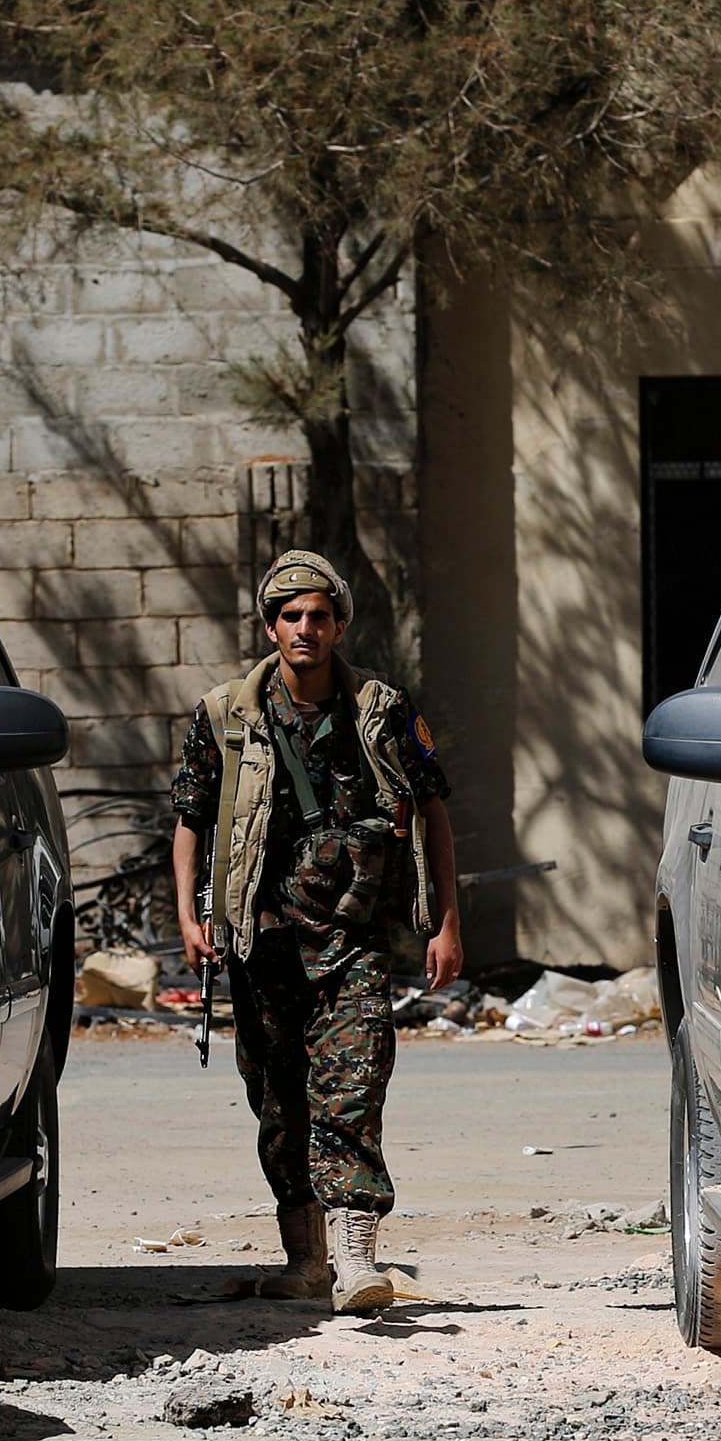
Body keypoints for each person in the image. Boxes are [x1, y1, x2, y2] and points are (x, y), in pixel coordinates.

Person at [169, 550, 463, 1313]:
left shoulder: (380, 708)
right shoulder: (224, 715)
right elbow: (190, 822)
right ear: (272, 627)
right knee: (278, 1101)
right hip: (261, 942)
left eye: (320, 616)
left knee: (355, 1087)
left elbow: (432, 810)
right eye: (292, 616)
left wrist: (445, 925)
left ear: (339, 626)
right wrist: (189, 914)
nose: (307, 629)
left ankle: (359, 1258)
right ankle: (307, 1259)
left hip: (353, 939)